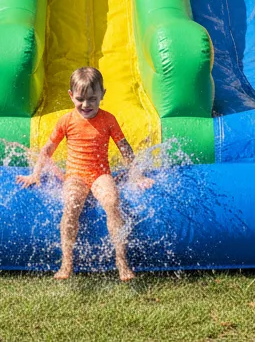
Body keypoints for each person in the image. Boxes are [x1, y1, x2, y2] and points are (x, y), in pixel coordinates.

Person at [16, 66, 153, 281]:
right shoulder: (66, 121)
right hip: (75, 175)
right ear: (71, 96)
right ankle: (67, 262)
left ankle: (121, 261)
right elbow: (47, 150)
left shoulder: (109, 119)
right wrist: (35, 174)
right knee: (71, 204)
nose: (86, 105)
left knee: (112, 201)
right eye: (80, 99)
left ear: (102, 95)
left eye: (92, 99)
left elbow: (125, 149)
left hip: (100, 174)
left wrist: (137, 175)